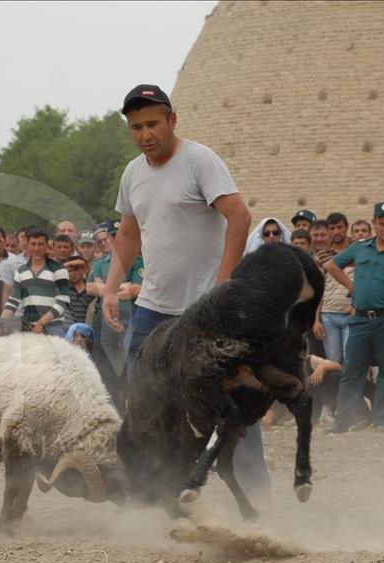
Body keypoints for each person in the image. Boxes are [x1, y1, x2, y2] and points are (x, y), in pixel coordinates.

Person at [103, 84, 264, 495]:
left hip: (205, 310)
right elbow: (127, 233)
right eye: (136, 127)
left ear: (172, 120)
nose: (145, 134)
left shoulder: (200, 161)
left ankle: (254, 487)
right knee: (143, 398)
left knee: (233, 396)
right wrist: (110, 288)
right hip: (152, 308)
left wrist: (225, 283)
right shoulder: (132, 173)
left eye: (153, 123)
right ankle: (150, 489)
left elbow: (240, 217)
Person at [323, 202, 384, 434]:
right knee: (353, 370)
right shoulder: (360, 248)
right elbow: (332, 265)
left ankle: (381, 420)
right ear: (374, 223)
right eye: (381, 223)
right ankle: (341, 422)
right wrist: (351, 286)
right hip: (361, 320)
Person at [87, 220, 142, 411]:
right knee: (103, 364)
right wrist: (118, 288)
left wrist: (108, 289)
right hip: (104, 321)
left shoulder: (137, 262)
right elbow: (90, 287)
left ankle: (131, 407)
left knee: (130, 362)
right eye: (113, 235)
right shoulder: (101, 262)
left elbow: (135, 290)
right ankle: (108, 406)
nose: (115, 239)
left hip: (131, 320)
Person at [1, 226, 70, 336]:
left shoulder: (59, 270)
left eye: (40, 244)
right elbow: (13, 302)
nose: (36, 248)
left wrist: (41, 324)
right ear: (27, 245)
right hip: (28, 328)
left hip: (53, 328)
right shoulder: (21, 272)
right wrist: (2, 322)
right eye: (33, 244)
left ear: (47, 246)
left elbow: (62, 303)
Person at [313, 212, 353, 364]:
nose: (336, 231)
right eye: (332, 228)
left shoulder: (357, 252)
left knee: (351, 361)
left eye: (340, 227)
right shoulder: (321, 256)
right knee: (333, 362)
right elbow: (319, 290)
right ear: (328, 230)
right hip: (328, 316)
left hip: (351, 315)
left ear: (346, 227)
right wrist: (316, 320)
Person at [62, 254, 94, 330]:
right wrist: (67, 264)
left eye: (76, 270)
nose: (73, 274)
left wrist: (83, 263)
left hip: (86, 331)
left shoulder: (91, 288)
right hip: (67, 331)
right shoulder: (63, 288)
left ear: (83, 270)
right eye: (70, 271)